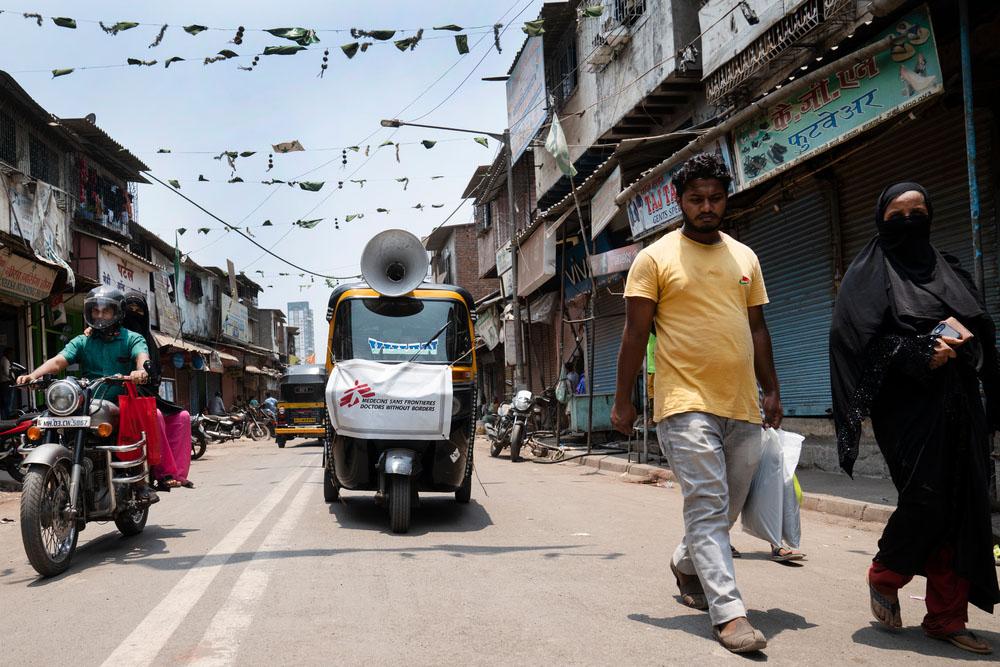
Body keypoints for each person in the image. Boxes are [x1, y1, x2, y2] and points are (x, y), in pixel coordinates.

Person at [611, 152, 782, 654]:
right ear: (679, 201)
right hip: (683, 403)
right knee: (708, 506)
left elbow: (758, 329)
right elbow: (633, 332)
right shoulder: (655, 258)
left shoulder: (745, 257)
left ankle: (687, 563)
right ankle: (729, 613)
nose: (707, 206)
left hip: (742, 404)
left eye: (715, 197)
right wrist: (624, 401)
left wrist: (771, 389)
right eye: (696, 198)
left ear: (726, 198)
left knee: (722, 506)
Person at [830, 182, 999, 655]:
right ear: (881, 219)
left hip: (962, 406)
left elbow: (985, 335)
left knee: (964, 507)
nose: (908, 222)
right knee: (926, 500)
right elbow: (853, 345)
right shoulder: (866, 277)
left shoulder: (952, 271)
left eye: (917, 212)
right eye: (897, 214)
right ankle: (886, 572)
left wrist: (966, 345)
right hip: (905, 411)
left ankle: (946, 617)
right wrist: (915, 350)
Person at [16, 287, 158, 503]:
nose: (99, 316)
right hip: (86, 401)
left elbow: (141, 356)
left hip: (119, 401)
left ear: (117, 313)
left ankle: (140, 484)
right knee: (48, 419)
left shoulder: (132, 338)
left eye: (105, 311)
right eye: (95, 311)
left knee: (131, 431)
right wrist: (33, 375)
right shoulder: (83, 340)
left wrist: (140, 371)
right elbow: (59, 360)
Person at [0, 346, 13, 419]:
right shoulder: (5, 360)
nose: (12, 355)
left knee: (4, 402)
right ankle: (8, 418)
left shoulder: (2, 359)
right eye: (11, 353)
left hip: (3, 384)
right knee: (7, 402)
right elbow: (7, 373)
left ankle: (4, 417)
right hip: (6, 383)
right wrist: (13, 380)